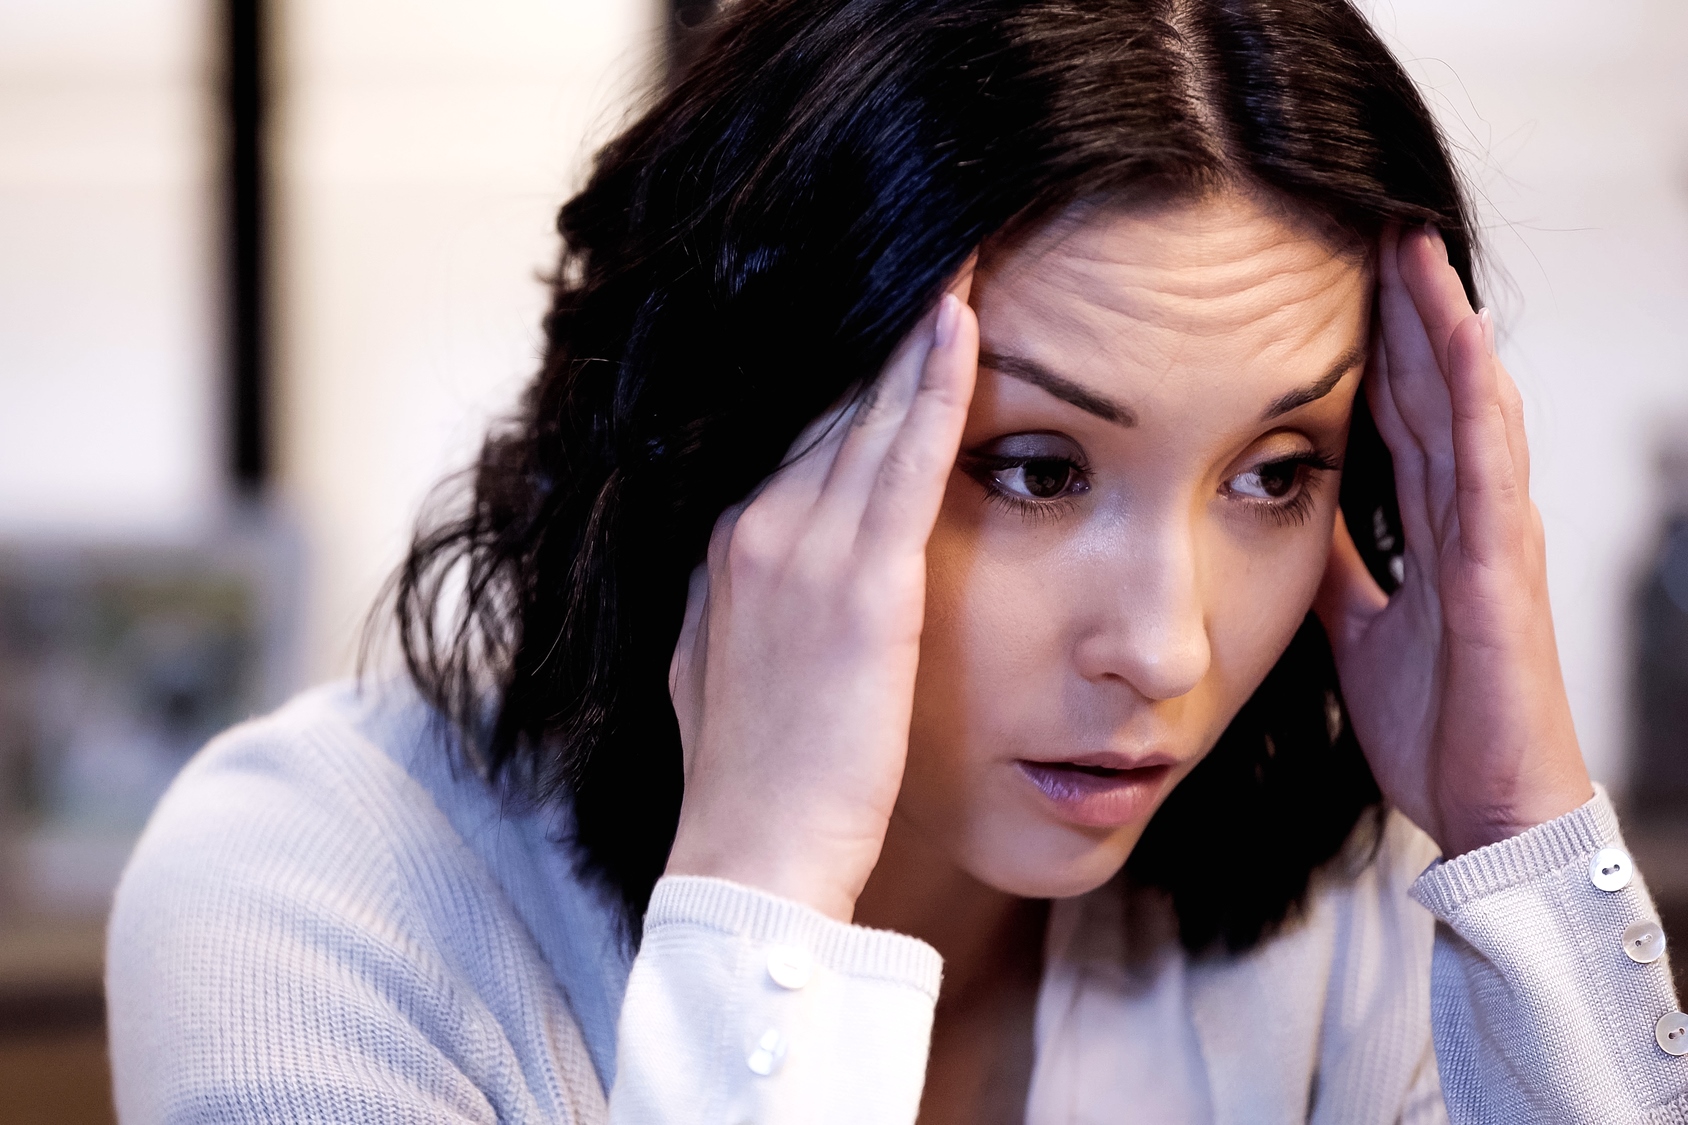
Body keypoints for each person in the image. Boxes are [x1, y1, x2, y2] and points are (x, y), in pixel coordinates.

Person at [106, 0, 1688, 1122]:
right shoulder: (315, 895)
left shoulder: (1361, 926)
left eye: (1276, 474)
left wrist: (1525, 837)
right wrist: (769, 910)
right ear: (739, 434)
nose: (1170, 645)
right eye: (1035, 468)